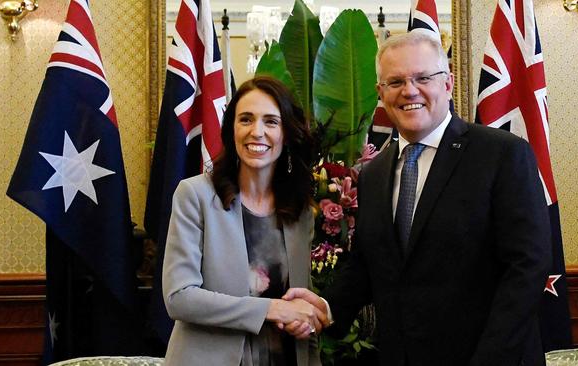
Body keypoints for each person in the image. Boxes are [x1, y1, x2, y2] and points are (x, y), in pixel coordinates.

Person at [284, 32, 552, 366]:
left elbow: (527, 266)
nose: (409, 90)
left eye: (423, 78)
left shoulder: (501, 154)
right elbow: (368, 263)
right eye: (395, 82)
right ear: (381, 93)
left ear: (448, 84)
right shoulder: (375, 173)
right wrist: (325, 309)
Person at [162, 76, 324, 366]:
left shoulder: (299, 212)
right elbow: (179, 297)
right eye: (246, 119)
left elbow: (299, 300)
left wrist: (305, 319)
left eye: (271, 121)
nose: (257, 132)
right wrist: (270, 309)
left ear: (286, 133)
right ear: (232, 130)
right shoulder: (195, 195)